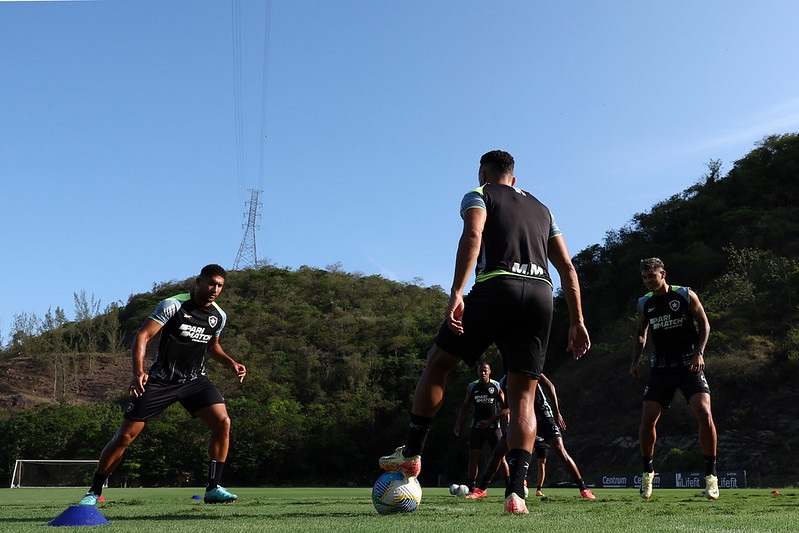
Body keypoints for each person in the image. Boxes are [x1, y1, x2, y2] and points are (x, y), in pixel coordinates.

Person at [378, 149, 590, 514]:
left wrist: (457, 291)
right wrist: (577, 320)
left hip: (497, 286)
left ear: (483, 172)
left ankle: (412, 454)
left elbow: (473, 235)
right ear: (515, 177)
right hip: (541, 294)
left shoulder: (480, 193)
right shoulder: (544, 209)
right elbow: (568, 268)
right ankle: (516, 495)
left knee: (438, 363)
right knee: (524, 395)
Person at [78, 264, 247, 506]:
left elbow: (212, 347)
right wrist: (138, 373)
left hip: (194, 381)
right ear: (198, 282)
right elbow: (143, 336)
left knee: (223, 421)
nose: (215, 289)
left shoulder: (219, 316)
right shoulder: (173, 305)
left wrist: (231, 363)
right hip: (161, 381)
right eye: (211, 283)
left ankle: (213, 488)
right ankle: (94, 490)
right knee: (125, 436)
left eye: (220, 285)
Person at [630, 257, 718, 500]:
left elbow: (705, 324)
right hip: (661, 368)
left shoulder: (685, 295)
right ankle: (647, 474)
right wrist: (635, 361)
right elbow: (640, 333)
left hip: (689, 364)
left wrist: (699, 353)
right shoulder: (644, 304)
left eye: (652, 276)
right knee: (647, 419)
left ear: (663, 274)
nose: (649, 281)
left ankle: (711, 477)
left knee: (704, 412)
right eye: (645, 277)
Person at [467, 373, 595, 500]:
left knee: (559, 449)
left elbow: (550, 386)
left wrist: (556, 412)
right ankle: (481, 490)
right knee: (499, 451)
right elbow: (507, 408)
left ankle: (584, 488)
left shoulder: (531, 370)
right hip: (524, 418)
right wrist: (498, 421)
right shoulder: (504, 382)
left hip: (543, 416)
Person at [453, 362, 508, 492]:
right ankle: (472, 487)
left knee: (501, 456)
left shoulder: (496, 386)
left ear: (490, 371)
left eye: (485, 371)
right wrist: (458, 423)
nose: (483, 373)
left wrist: (495, 421)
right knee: (473, 456)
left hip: (494, 426)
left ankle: (509, 485)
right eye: (480, 371)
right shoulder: (472, 386)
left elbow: (506, 408)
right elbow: (465, 406)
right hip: (477, 426)